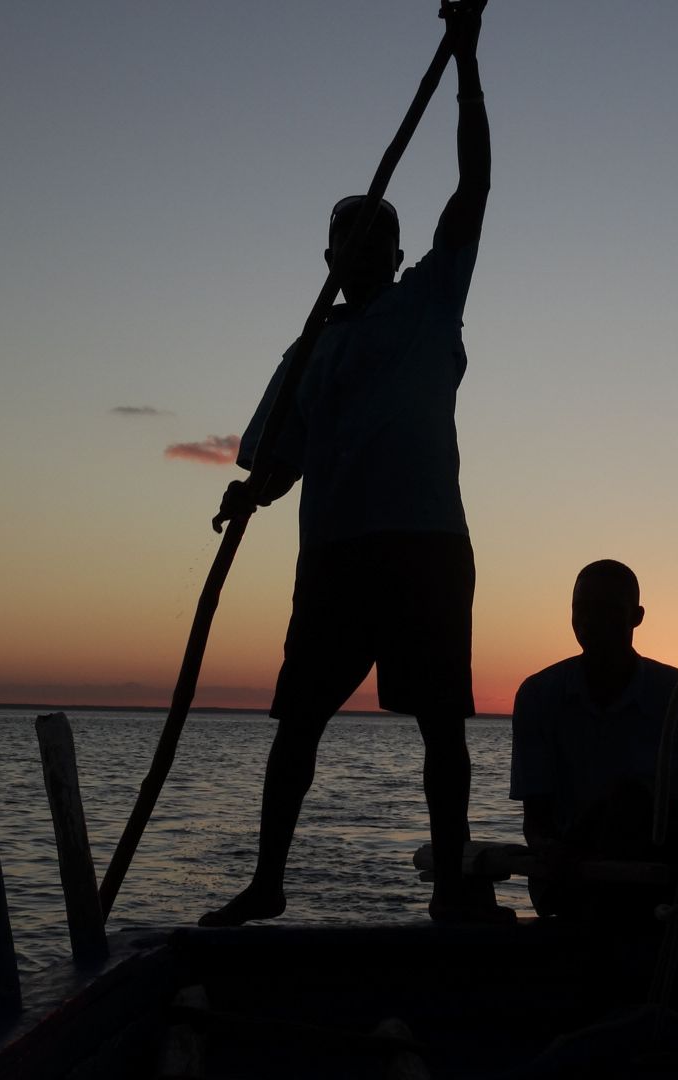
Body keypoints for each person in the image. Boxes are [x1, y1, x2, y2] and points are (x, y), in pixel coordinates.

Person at [201, 6, 504, 927]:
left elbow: (475, 182)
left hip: (422, 545)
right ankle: (267, 882)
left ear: (399, 254)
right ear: (329, 258)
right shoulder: (308, 349)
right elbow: (282, 458)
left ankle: (452, 883)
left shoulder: (430, 302)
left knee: (439, 724)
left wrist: (467, 62)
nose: (365, 254)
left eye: (379, 241)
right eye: (350, 244)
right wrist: (252, 488)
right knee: (298, 721)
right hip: (332, 552)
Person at [510, 560, 678, 930]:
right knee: (629, 800)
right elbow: (537, 822)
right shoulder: (538, 695)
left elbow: (671, 816)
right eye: (584, 609)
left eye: (609, 609)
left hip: (649, 865)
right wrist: (553, 851)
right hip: (570, 874)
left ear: (637, 616)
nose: (594, 621)